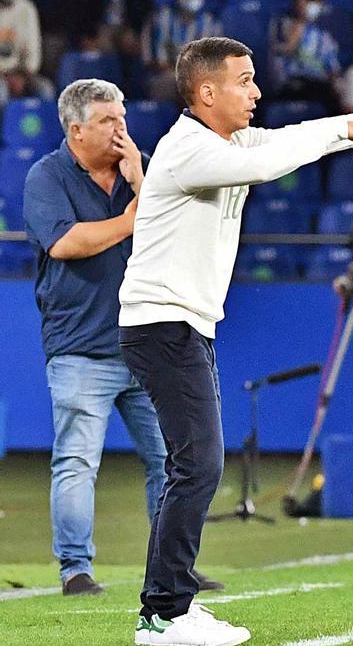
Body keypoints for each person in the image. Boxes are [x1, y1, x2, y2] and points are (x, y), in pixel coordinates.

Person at [118, 36, 353, 645]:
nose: (258, 91)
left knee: (194, 465)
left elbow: (292, 136)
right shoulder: (188, 149)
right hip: (161, 324)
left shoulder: (224, 140)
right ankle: (163, 614)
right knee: (201, 465)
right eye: (244, 80)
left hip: (182, 324)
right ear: (206, 92)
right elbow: (273, 160)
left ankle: (172, 606)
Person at [22, 78, 221, 597]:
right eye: (109, 121)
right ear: (76, 128)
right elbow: (65, 243)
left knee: (173, 461)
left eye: (123, 118)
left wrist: (142, 185)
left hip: (149, 344)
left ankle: (175, 567)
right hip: (80, 347)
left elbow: (182, 230)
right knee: (77, 461)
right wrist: (133, 218)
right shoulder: (47, 176)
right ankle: (75, 570)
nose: (121, 129)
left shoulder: (143, 169)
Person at [142, 0, 221, 101]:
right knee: (166, 83)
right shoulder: (162, 19)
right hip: (166, 74)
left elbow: (212, 62)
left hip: (199, 78)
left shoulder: (211, 24)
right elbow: (156, 58)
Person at [269, 0, 341, 110]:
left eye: (316, 1)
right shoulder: (281, 24)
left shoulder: (323, 35)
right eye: (308, 0)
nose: (313, 5)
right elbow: (285, 49)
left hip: (319, 87)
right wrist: (299, 27)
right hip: (290, 85)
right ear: (299, 1)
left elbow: (333, 69)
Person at [0, 0, 51, 102]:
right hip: (1, 75)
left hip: (22, 73)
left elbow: (33, 50)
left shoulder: (27, 9)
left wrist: (23, 75)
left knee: (45, 90)